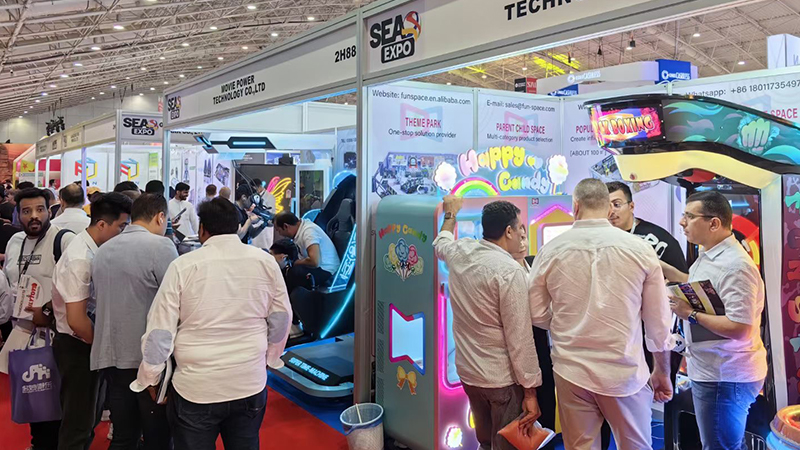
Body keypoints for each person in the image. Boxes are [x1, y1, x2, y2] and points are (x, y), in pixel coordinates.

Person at [133, 198, 292, 450]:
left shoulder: (183, 266)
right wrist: (269, 358)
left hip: (197, 387)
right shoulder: (265, 262)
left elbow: (160, 331)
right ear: (237, 226)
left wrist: (150, 376)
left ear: (202, 229)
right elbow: (281, 318)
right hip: (249, 381)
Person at [528, 178, 674, 450]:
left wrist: (566, 324)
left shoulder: (550, 251)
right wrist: (662, 371)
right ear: (608, 208)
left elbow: (536, 313)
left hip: (571, 370)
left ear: (575, 206)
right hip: (624, 371)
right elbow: (658, 323)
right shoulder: (640, 250)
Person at [433, 196, 542, 449]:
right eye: (519, 228)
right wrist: (530, 391)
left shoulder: (461, 251)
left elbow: (440, 243)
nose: (521, 234)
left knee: (484, 440)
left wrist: (450, 213)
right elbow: (520, 338)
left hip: (469, 374)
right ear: (509, 231)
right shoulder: (509, 271)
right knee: (507, 443)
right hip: (501, 379)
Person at [664, 191, 766, 450]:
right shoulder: (711, 254)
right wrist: (664, 270)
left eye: (689, 216)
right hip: (714, 371)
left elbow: (741, 328)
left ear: (714, 223)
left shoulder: (735, 266)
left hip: (725, 376)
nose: (682, 222)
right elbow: (703, 286)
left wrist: (690, 314)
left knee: (720, 446)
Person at [605, 180, 688, 450]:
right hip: (611, 337)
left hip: (651, 335)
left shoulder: (658, 239)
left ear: (631, 206)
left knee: (642, 412)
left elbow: (685, 281)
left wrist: (655, 266)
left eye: (617, 204)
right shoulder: (598, 240)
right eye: (606, 206)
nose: (611, 211)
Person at [91, 193, 178, 450]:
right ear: (160, 217)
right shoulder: (161, 246)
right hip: (148, 360)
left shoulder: (103, 250)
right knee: (158, 438)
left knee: (123, 436)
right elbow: (176, 301)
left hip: (110, 356)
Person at [51, 193, 132, 450]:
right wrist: (104, 348)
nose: (123, 232)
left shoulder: (94, 250)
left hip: (87, 343)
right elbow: (77, 320)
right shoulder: (80, 258)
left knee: (89, 418)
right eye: (121, 226)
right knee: (78, 423)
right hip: (77, 346)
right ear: (102, 224)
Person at [0, 187, 76, 450]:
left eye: (40, 209)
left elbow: (80, 287)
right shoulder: (15, 241)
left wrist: (48, 313)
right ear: (17, 214)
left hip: (57, 336)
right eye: (26, 211)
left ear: (50, 211)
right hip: (23, 334)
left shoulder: (64, 240)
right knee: (32, 397)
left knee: (56, 402)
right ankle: (38, 443)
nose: (34, 216)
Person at [274, 211, 340, 293]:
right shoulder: (300, 230)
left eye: (279, 231)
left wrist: (295, 263)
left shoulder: (308, 232)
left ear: (285, 226)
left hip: (327, 270)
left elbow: (315, 262)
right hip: (318, 268)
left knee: (292, 273)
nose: (280, 234)